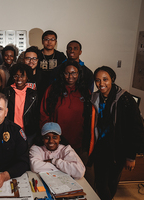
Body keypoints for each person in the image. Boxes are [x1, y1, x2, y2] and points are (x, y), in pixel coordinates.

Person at [88, 66, 144, 200]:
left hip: (117, 151)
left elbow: (135, 129)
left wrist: (131, 157)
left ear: (112, 79)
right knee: (100, 184)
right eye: (97, 80)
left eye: (105, 79)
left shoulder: (125, 99)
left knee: (111, 184)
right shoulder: (95, 97)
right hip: (100, 148)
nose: (101, 84)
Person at [39, 60, 91, 151]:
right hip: (55, 142)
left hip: (78, 141)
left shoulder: (85, 92)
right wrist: (49, 136)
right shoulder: (52, 89)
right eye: (67, 73)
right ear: (62, 74)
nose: (70, 76)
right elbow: (43, 113)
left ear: (79, 74)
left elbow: (89, 118)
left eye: (74, 73)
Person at [3, 63, 39, 146]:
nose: (19, 79)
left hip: (28, 132)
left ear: (27, 78)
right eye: (16, 76)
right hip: (10, 130)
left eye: (22, 76)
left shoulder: (33, 94)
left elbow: (36, 114)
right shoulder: (7, 91)